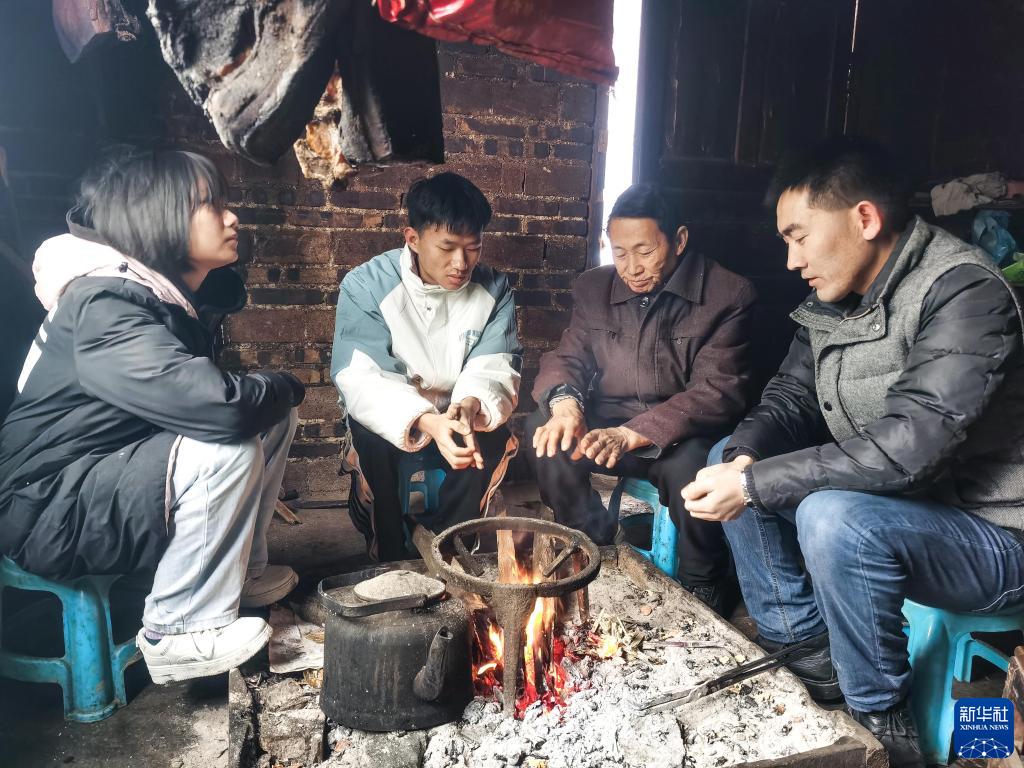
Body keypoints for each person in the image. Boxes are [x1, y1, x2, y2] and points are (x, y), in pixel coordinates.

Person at [682, 136, 1024, 767]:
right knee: (731, 455)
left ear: (864, 218)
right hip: (910, 511)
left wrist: (754, 485)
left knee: (830, 515)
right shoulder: (835, 298)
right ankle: (812, 657)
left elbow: (910, 447)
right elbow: (790, 396)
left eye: (799, 237)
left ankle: (882, 720)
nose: (791, 261)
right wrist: (744, 460)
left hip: (996, 536)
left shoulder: (964, 292)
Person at [0, 147, 306, 684]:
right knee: (229, 440)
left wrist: (275, 397)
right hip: (42, 503)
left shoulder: (153, 296)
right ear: (159, 219)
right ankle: (178, 629)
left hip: (94, 474)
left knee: (271, 419)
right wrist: (287, 384)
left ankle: (240, 575)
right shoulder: (105, 303)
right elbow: (220, 409)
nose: (232, 217)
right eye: (211, 205)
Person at [525, 183, 757, 614]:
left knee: (696, 468)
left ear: (679, 240)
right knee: (544, 431)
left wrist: (633, 434)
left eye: (645, 251)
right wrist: (566, 404)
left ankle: (703, 581)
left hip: (680, 433)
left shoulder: (728, 295)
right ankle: (592, 543)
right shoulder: (594, 288)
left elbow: (717, 390)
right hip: (606, 426)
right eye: (619, 252)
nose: (631, 268)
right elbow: (567, 357)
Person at [331, 172, 521, 561]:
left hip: (457, 408)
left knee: (485, 439)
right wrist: (427, 420)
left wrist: (469, 405)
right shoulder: (366, 285)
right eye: (447, 247)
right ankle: (390, 555)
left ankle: (450, 552)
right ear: (413, 239)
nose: (461, 263)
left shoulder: (494, 288)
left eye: (473, 248)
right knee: (374, 440)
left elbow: (495, 364)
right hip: (395, 411)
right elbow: (362, 377)